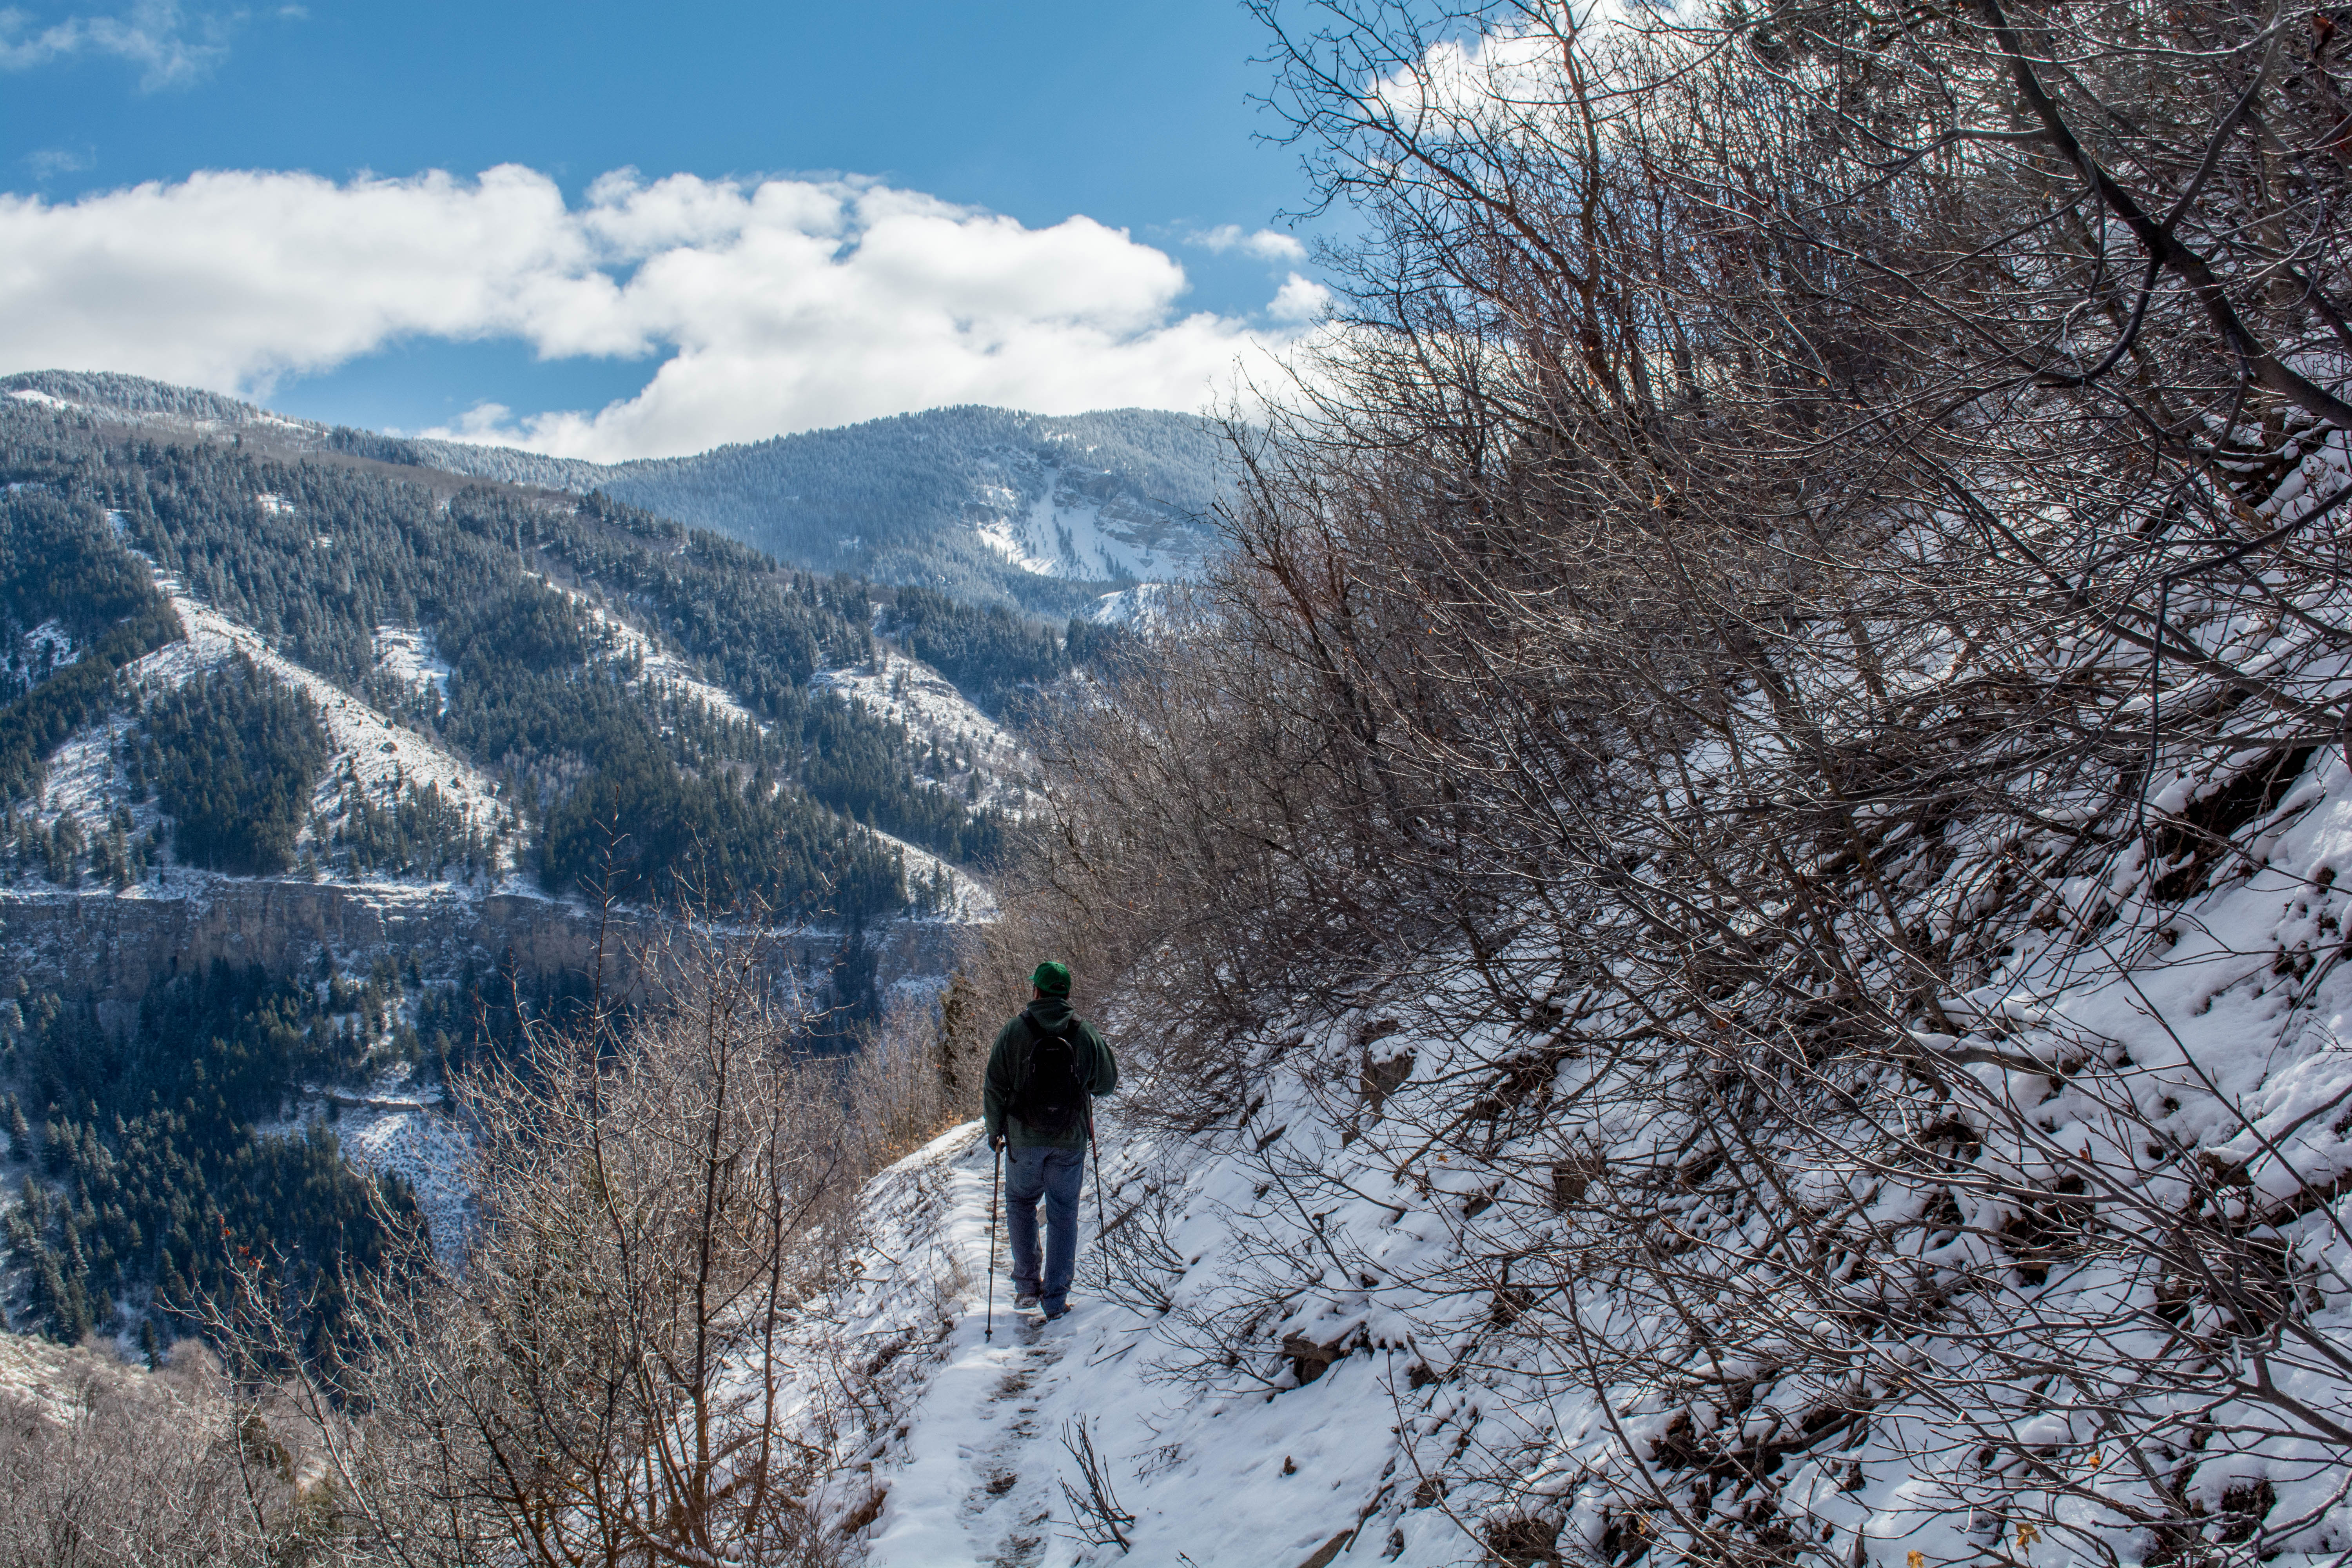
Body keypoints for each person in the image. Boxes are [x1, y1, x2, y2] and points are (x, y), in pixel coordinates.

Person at [983, 960, 1118, 1319]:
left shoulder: (1014, 1031)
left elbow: (994, 1085)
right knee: (1063, 1214)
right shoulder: (1083, 1032)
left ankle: (1027, 1287)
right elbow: (1107, 1084)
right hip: (1069, 1139)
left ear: (1037, 992)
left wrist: (994, 1131)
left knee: (1020, 1203)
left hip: (1023, 1139)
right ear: (1068, 993)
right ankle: (1056, 1299)